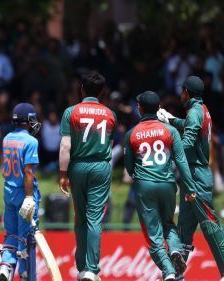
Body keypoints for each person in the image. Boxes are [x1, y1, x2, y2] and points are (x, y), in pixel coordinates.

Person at [124, 91, 197, 281]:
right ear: (159, 109)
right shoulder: (170, 131)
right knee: (168, 224)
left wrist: (140, 178)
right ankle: (174, 250)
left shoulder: (131, 133)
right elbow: (181, 161)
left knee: (153, 235)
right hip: (168, 184)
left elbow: (129, 167)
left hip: (145, 186)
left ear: (139, 107)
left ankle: (169, 272)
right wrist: (189, 187)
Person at [158, 76, 224, 278]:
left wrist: (170, 152)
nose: (180, 95)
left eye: (182, 91)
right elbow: (189, 125)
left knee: (210, 225)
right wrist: (170, 119)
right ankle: (176, 276)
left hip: (196, 176)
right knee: (183, 233)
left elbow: (188, 138)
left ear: (186, 92)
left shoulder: (195, 111)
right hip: (191, 178)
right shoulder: (201, 110)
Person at [59, 71, 117, 281]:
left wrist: (63, 174)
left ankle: (82, 268)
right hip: (101, 167)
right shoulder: (110, 114)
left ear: (81, 89)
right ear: (102, 91)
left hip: (77, 167)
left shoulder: (70, 112)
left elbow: (66, 145)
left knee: (80, 218)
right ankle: (92, 270)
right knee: (95, 219)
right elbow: (109, 146)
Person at [0, 103, 41, 281]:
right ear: (28, 120)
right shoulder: (31, 141)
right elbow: (28, 172)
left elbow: (2, 169)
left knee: (11, 233)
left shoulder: (7, 138)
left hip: (8, 191)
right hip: (24, 193)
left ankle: (6, 267)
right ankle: (25, 274)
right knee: (26, 236)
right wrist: (30, 197)